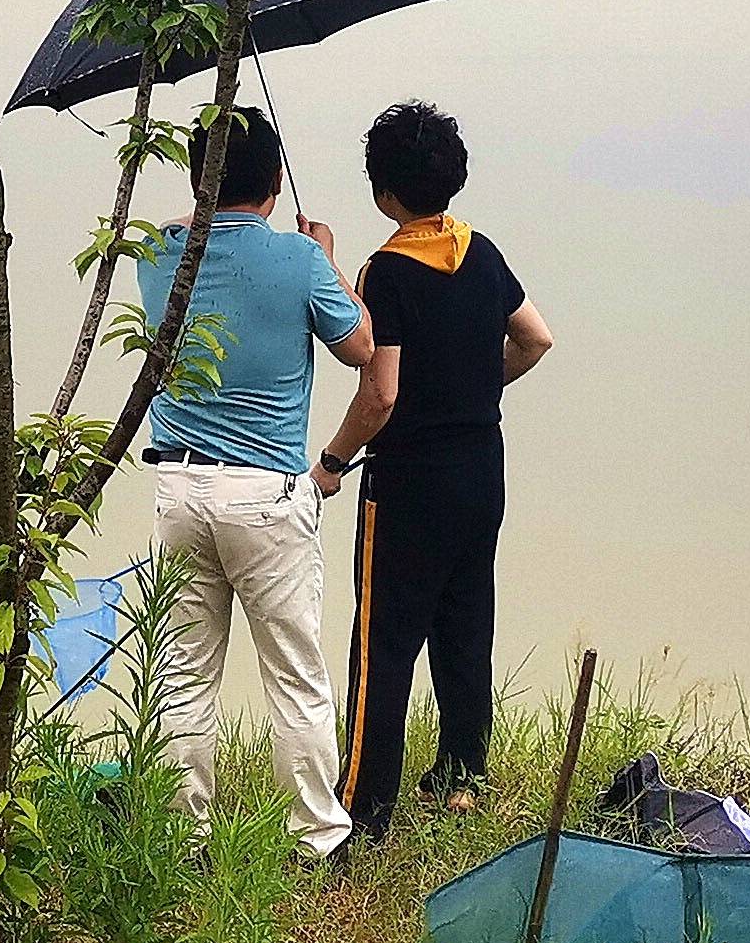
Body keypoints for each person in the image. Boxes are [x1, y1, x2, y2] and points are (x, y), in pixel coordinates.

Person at [132, 105, 378, 867]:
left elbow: (187, 220)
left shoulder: (153, 253)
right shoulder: (298, 263)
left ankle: (182, 836)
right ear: (275, 180)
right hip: (266, 497)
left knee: (181, 674)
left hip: (177, 489)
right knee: (297, 676)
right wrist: (326, 256)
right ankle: (316, 837)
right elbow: (361, 347)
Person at [322, 101, 555, 846]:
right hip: (482, 469)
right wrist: (475, 386)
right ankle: (462, 778)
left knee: (384, 640)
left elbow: (380, 390)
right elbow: (535, 338)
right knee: (465, 623)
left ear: (383, 192)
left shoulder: (386, 271)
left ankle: (363, 808)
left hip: (408, 483)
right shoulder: (480, 252)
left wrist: (331, 462)